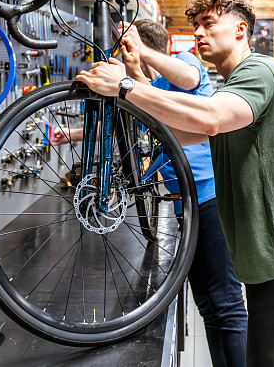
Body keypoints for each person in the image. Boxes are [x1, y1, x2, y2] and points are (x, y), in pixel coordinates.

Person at [76, 0, 274, 367]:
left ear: (241, 29)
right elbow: (184, 132)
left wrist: (127, 87)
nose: (198, 32)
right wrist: (123, 103)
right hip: (269, 258)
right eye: (196, 24)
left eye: (209, 23)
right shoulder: (231, 87)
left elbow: (209, 120)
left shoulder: (260, 70)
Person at [53, 19, 248, 367]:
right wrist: (73, 132)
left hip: (210, 197)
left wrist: (141, 52)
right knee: (210, 305)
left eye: (130, 50)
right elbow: (144, 115)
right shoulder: (152, 86)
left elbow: (189, 78)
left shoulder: (184, 63)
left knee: (226, 304)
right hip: (187, 203)